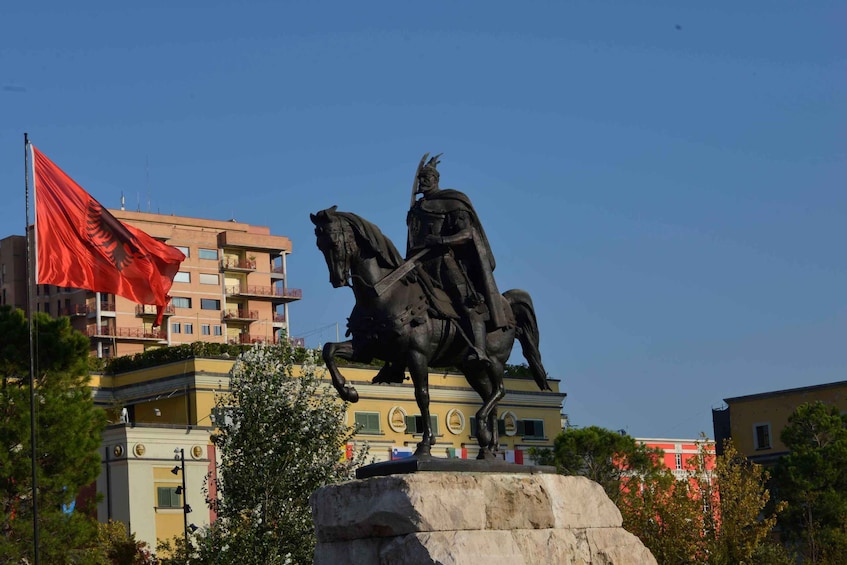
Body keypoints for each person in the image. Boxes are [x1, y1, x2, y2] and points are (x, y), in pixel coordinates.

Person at [406, 154, 508, 368]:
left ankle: (479, 349)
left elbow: (468, 233)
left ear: (436, 180)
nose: (423, 182)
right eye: (421, 178)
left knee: (466, 304)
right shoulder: (416, 208)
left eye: (428, 178)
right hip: (418, 264)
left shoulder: (452, 202)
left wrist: (441, 240)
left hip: (444, 263)